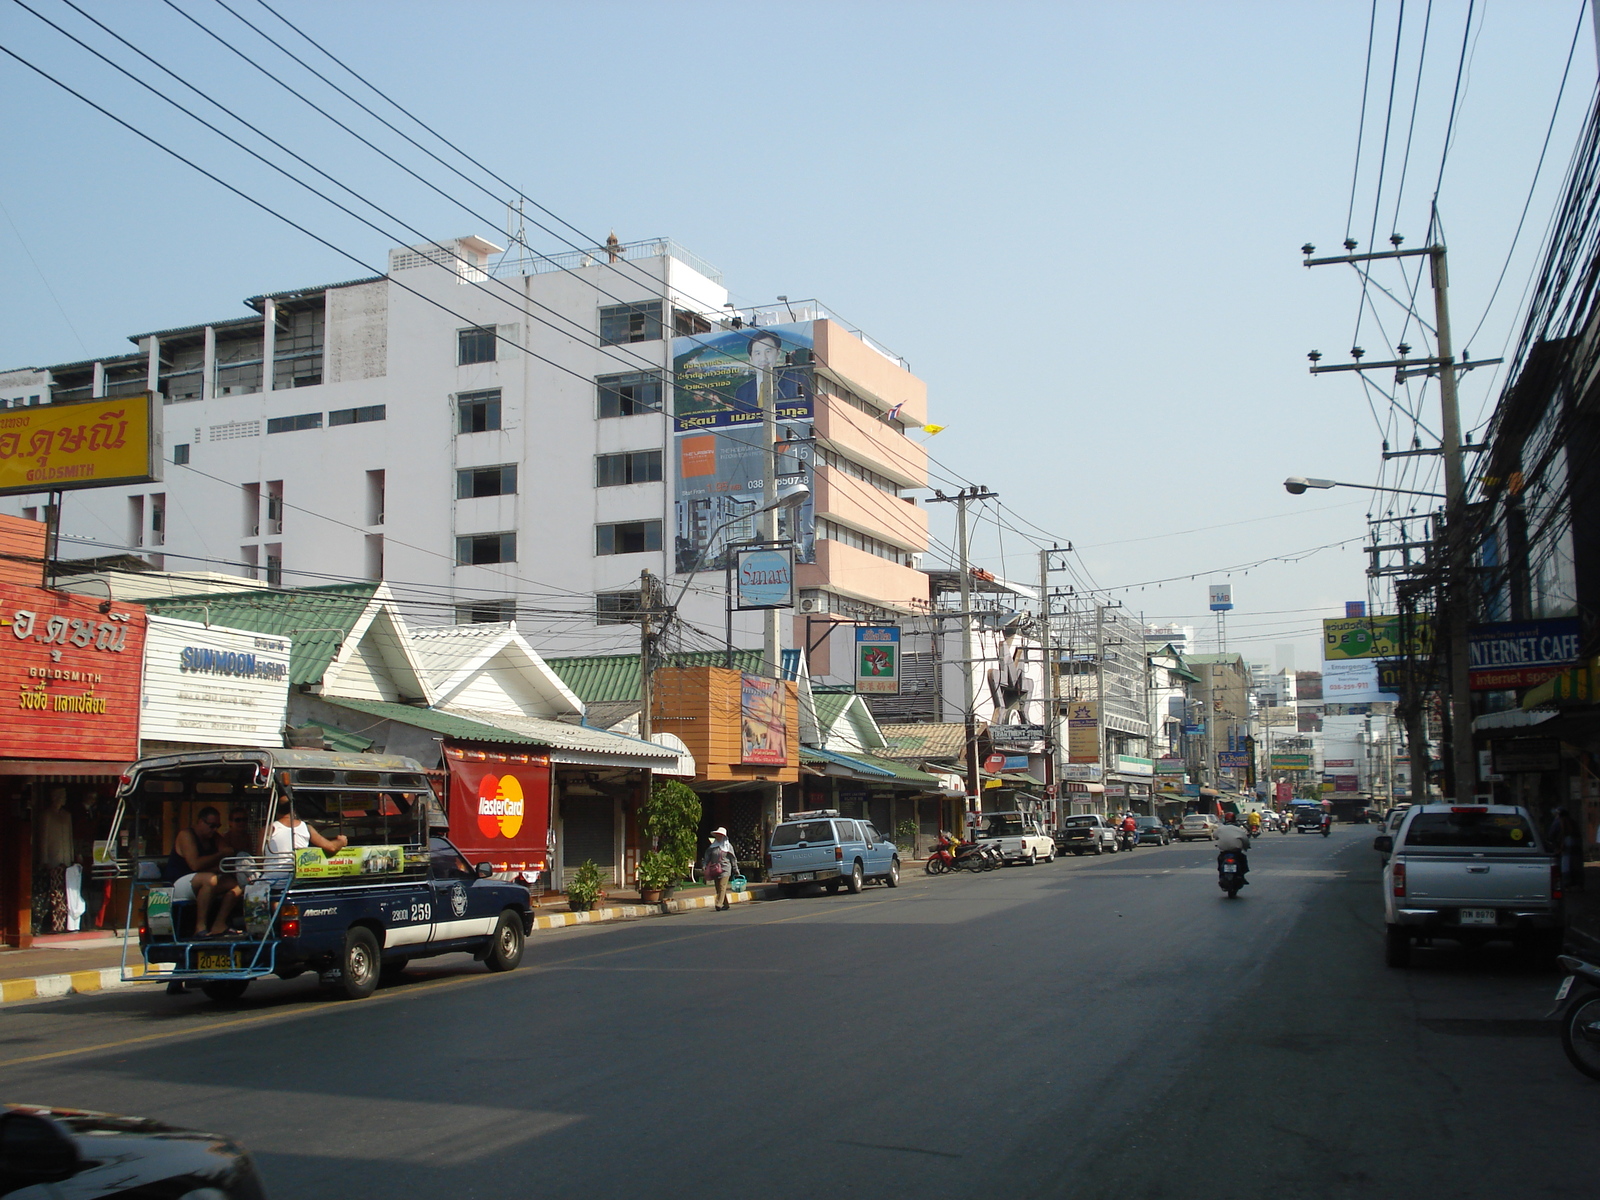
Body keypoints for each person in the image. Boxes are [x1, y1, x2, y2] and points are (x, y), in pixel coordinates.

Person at [166, 806, 242, 938]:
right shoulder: (186, 835)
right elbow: (195, 864)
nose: (214, 830)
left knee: (237, 884)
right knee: (210, 879)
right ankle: (200, 927)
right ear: (200, 822)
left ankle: (219, 924)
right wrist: (220, 855)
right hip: (179, 882)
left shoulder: (215, 837)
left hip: (204, 879)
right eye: (211, 825)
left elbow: (227, 853)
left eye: (217, 826)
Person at [264, 799, 347, 882]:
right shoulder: (306, 827)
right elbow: (332, 847)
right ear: (294, 810)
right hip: (296, 881)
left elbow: (260, 858)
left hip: (271, 880)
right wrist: (341, 841)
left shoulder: (267, 829)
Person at [701, 827, 738, 911]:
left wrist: (736, 869)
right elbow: (707, 857)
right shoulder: (713, 847)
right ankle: (726, 903)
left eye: (720, 835)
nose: (718, 837)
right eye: (717, 835)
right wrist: (704, 865)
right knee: (718, 888)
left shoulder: (728, 846)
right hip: (715, 868)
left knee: (722, 885)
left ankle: (718, 904)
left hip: (725, 869)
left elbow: (733, 858)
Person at [1548, 807, 1583, 888]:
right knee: (1576, 866)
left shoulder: (1558, 822)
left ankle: (1566, 884)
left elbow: (1551, 836)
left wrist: (1555, 846)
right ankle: (1578, 884)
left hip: (1564, 849)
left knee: (1565, 866)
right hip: (1576, 849)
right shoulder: (1574, 823)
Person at [1215, 812, 1252, 884]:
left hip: (1224, 852)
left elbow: (1215, 835)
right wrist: (1246, 847)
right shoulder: (1239, 829)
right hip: (1236, 852)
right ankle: (1242, 876)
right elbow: (1245, 840)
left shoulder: (1221, 828)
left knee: (1220, 860)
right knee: (1243, 860)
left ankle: (1222, 875)